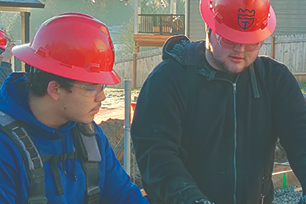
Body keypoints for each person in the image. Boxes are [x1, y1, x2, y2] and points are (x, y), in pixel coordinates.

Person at [131, 0, 306, 203]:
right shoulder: (170, 80)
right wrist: (191, 199)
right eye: (229, 40)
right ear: (209, 29)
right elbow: (156, 153)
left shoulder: (274, 80)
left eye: (250, 42)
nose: (240, 49)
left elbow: (300, 135)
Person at [0, 13, 149, 204]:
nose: (101, 96)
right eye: (91, 88)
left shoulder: (90, 137)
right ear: (54, 89)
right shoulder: (5, 147)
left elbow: (125, 196)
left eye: (102, 87)